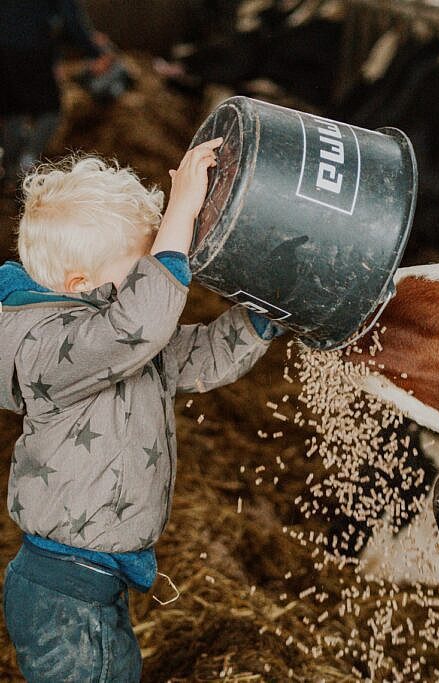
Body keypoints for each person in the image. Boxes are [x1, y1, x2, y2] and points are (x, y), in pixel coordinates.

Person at [0, 139, 285, 681]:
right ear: (79, 286)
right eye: (139, 270)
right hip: (64, 595)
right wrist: (180, 213)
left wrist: (259, 319)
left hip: (99, 578)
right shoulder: (52, 351)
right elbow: (143, 322)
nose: (150, 283)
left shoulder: (120, 337)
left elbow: (197, 354)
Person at [0, 0, 113, 188]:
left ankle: (10, 169)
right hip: (33, 50)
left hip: (4, 49)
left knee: (13, 110)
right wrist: (96, 52)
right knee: (52, 111)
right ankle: (26, 163)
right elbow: (70, 21)